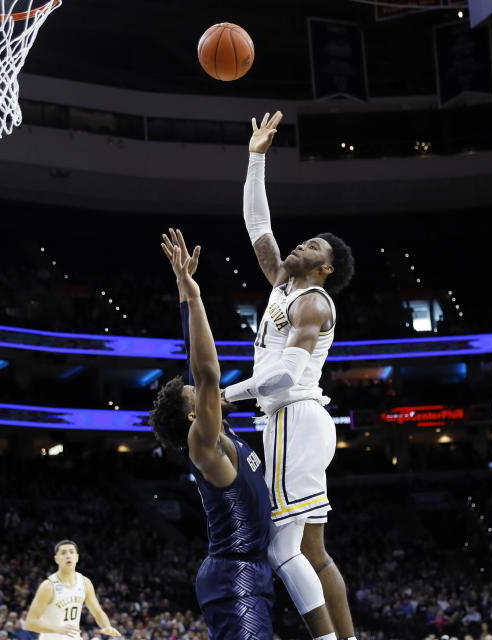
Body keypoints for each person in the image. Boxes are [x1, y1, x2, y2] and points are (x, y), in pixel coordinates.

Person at [220, 111, 357, 640]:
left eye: (314, 249)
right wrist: (257, 157)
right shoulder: (283, 284)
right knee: (314, 553)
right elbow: (259, 226)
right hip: (296, 421)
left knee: (282, 549)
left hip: (294, 416)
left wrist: (223, 396)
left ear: (325, 269)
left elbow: (282, 378)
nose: (302, 246)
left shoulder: (313, 304)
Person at [150, 230, 323, 640]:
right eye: (198, 395)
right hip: (233, 578)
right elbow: (206, 371)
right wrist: (191, 295)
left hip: (250, 573)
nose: (209, 392)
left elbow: (201, 374)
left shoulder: (226, 436)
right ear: (195, 413)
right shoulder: (202, 445)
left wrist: (183, 292)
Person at [24, 540, 119, 640]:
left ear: (77, 557)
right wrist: (58, 629)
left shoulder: (85, 582)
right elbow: (30, 623)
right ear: (56, 559)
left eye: (71, 552)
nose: (68, 556)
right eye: (63, 553)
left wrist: (107, 626)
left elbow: (98, 612)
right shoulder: (48, 586)